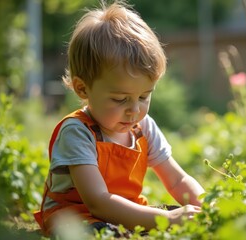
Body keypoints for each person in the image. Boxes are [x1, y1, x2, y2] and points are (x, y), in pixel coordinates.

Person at [34, 0, 205, 237]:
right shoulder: (77, 132)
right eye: (120, 99)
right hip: (77, 217)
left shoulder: (143, 127)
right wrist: (166, 219)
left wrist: (206, 206)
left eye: (144, 96)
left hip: (126, 214)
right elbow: (98, 202)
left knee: (190, 219)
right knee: (104, 232)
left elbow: (177, 180)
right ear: (83, 89)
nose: (134, 110)